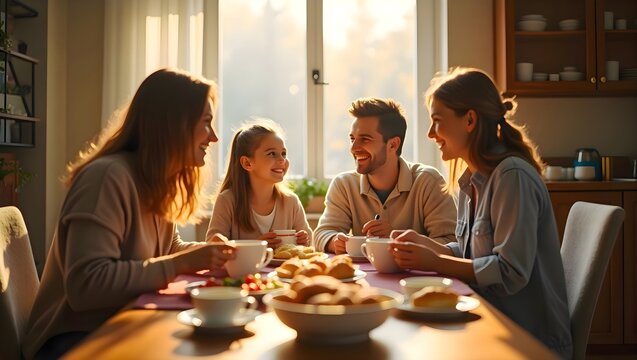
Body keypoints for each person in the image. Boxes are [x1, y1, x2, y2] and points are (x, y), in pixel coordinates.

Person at [22, 68, 236, 359]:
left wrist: (209, 252)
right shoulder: (107, 178)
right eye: (206, 123)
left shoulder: (155, 180)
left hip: (122, 321)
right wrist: (180, 264)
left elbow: (168, 250)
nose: (214, 138)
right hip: (74, 340)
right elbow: (86, 285)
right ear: (174, 125)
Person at [390, 67, 572, 358]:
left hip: (527, 339)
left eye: (437, 121)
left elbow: (509, 272)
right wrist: (429, 245)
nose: (430, 134)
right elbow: (473, 254)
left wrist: (436, 261)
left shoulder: (512, 177)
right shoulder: (470, 180)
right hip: (492, 319)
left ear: (470, 120)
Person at [313, 97, 457, 254]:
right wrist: (336, 242)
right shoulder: (344, 184)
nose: (354, 148)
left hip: (416, 278)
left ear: (393, 144)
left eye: (365, 139)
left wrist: (396, 238)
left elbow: (450, 243)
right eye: (352, 139)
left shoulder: (429, 182)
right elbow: (322, 233)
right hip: (364, 278)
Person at [206, 119, 312, 246]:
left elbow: (308, 243)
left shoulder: (291, 202)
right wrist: (255, 246)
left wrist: (304, 240)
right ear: (247, 163)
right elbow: (213, 246)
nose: (282, 160)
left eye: (283, 153)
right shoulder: (227, 201)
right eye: (272, 154)